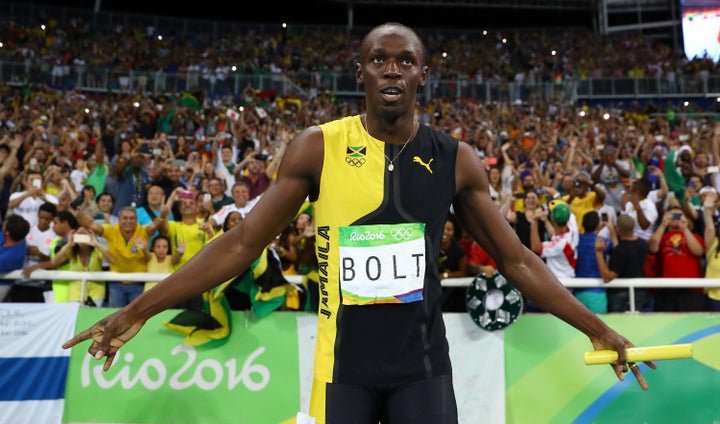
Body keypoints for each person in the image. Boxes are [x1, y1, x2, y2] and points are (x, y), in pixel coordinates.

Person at [63, 23, 654, 424]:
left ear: (423, 74)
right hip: (341, 372)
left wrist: (595, 328)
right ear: (361, 73)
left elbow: (518, 260)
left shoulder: (456, 159)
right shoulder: (315, 148)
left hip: (423, 369)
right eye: (379, 60)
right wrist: (136, 310)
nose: (391, 70)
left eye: (405, 61)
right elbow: (242, 242)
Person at [595, 214, 652, 312]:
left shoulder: (621, 250)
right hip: (640, 291)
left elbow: (608, 277)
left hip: (620, 295)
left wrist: (599, 253)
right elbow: (623, 249)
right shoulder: (644, 244)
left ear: (618, 229)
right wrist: (612, 230)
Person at [0, 215, 31, 301]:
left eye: (5, 225)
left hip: (2, 284)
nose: (3, 224)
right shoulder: (17, 234)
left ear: (7, 233)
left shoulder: (13, 256)